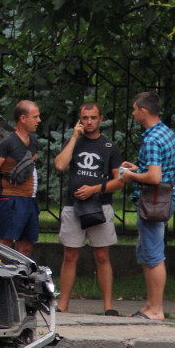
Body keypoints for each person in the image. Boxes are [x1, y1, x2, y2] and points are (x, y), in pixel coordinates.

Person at [53, 102, 125, 315]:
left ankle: (108, 306)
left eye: (93, 118)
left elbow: (119, 181)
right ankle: (63, 305)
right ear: (79, 120)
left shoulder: (109, 147)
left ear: (100, 119)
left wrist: (94, 189)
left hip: (100, 206)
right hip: (73, 206)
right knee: (70, 255)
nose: (89, 122)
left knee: (102, 255)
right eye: (85, 118)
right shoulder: (73, 142)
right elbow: (59, 165)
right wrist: (74, 138)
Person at [118, 91, 175, 322]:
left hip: (153, 201)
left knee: (153, 255)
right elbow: (161, 169)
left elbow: (155, 177)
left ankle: (156, 310)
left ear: (143, 111)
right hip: (163, 199)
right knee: (146, 252)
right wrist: (138, 167)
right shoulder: (166, 133)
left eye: (134, 109)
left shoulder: (152, 139)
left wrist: (129, 176)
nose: (133, 113)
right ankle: (149, 305)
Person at [0, 100, 41, 257]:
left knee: (26, 246)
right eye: (35, 117)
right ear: (23, 119)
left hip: (29, 200)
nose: (39, 120)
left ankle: (20, 280)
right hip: (10, 199)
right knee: (5, 245)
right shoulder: (6, 140)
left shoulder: (34, 140)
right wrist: (0, 192)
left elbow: (31, 162)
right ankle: (2, 279)